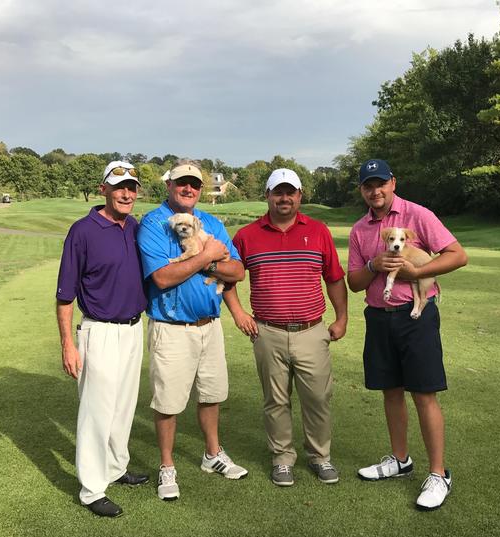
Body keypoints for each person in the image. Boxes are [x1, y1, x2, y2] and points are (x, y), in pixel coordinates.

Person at [347, 159, 467, 511]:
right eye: (368, 186)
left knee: (424, 393)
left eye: (380, 183)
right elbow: (354, 283)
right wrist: (373, 266)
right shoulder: (360, 230)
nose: (375, 191)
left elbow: (458, 256)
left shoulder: (417, 215)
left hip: (416, 318)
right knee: (391, 391)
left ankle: (438, 474)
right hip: (379, 318)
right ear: (362, 190)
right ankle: (400, 460)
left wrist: (416, 271)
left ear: (393, 183)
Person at [223, 168, 348, 487]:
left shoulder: (318, 231)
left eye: (290, 192)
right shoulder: (247, 235)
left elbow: (334, 277)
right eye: (278, 192)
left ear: (299, 195)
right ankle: (282, 458)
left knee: (317, 398)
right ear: (267, 196)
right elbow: (228, 276)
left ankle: (320, 456)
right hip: (268, 331)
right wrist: (238, 313)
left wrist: (342, 317)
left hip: (311, 330)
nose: (284, 198)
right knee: (275, 400)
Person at [137, 159, 248, 501]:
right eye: (182, 182)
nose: (189, 189)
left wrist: (210, 260)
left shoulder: (211, 222)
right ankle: (167, 465)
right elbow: (162, 277)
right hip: (172, 327)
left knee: (211, 394)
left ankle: (212, 454)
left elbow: (237, 271)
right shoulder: (154, 223)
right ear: (169, 185)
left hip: (209, 325)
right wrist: (208, 257)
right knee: (168, 401)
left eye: (195, 184)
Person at [55, 160, 149, 518]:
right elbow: (65, 295)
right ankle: (92, 489)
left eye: (131, 188)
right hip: (100, 329)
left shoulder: (134, 227)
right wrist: (68, 344)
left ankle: (115, 467)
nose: (126, 193)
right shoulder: (82, 231)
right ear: (103, 189)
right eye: (119, 186)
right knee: (97, 411)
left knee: (123, 407)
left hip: (133, 328)